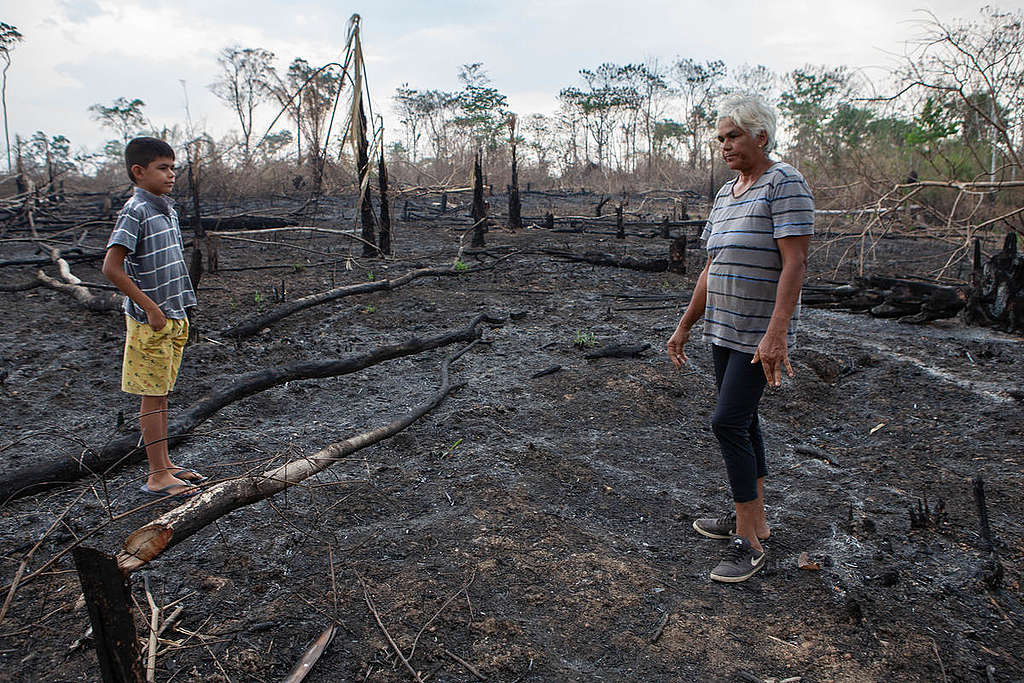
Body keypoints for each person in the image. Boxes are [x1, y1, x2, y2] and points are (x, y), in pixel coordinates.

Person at [667, 95, 813, 583]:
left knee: (727, 422)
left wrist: (777, 334)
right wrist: (686, 324)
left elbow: (794, 262)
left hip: (757, 332)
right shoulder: (727, 194)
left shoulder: (784, 183)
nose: (724, 145)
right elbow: (713, 266)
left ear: (761, 137)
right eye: (721, 138)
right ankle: (757, 521)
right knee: (743, 420)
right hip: (723, 329)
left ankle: (748, 544)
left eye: (733, 136)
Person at [102, 137, 202, 499]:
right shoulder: (136, 210)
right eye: (163, 168)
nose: (171, 174)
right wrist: (150, 306)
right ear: (138, 172)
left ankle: (166, 465)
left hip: (173, 316)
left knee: (161, 395)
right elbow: (111, 268)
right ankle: (157, 474)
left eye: (173, 167)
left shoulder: (167, 210)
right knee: (152, 395)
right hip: (152, 322)